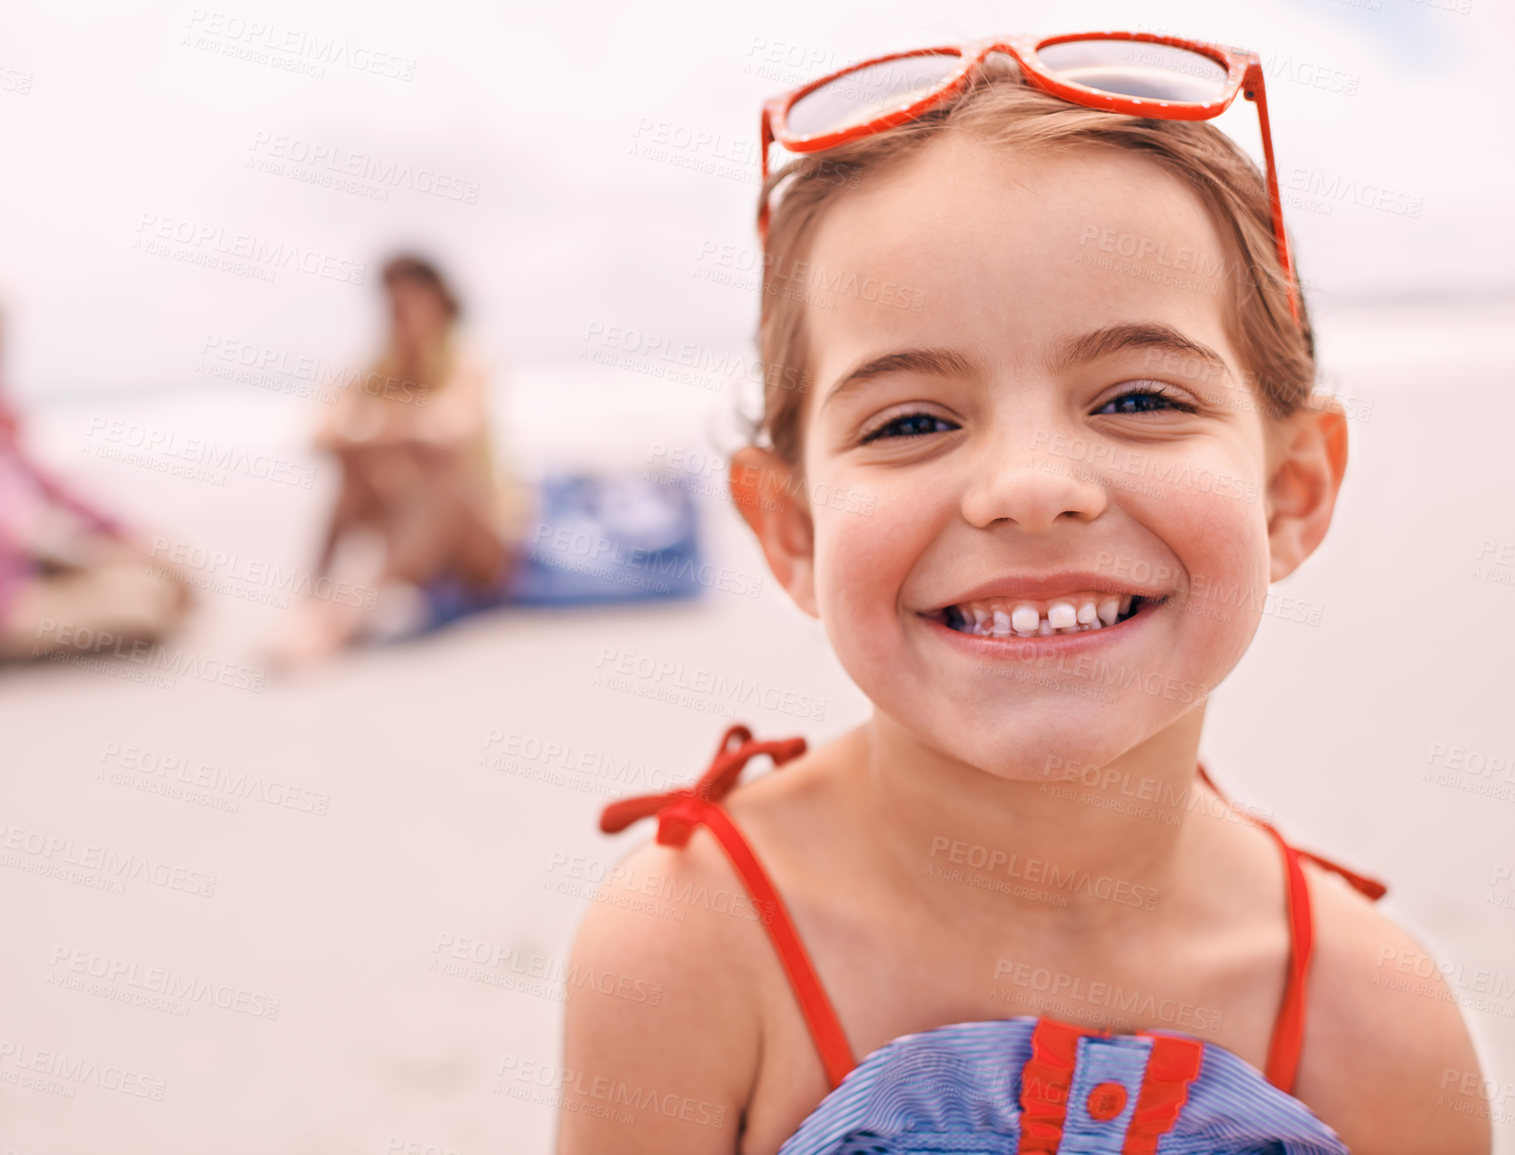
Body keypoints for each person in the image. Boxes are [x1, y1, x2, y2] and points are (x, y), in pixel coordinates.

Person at [560, 39, 1486, 1154]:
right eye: (912, 421)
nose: (1028, 489)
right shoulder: (693, 947)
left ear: (1290, 492)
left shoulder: (1375, 1023)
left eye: (1139, 397)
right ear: (791, 529)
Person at [0, 289, 191, 687]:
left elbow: (53, 483)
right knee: (146, 608)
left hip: (21, 562)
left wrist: (130, 536)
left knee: (169, 575)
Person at [273, 254, 521, 664]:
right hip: (411, 525)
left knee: (443, 478)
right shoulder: (375, 367)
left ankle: (341, 614)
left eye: (406, 304)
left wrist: (373, 424)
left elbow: (448, 432)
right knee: (351, 473)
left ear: (438, 302)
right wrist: (398, 425)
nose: (397, 316)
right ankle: (314, 601)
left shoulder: (467, 362)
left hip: (481, 545)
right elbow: (319, 434)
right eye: (391, 306)